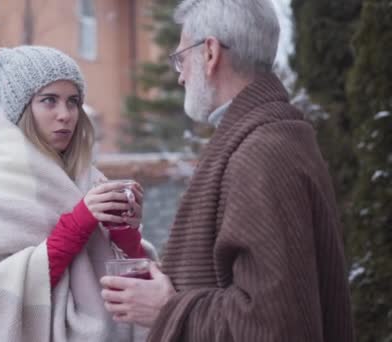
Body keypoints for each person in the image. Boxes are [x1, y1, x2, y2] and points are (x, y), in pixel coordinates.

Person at [100, 0, 354, 341]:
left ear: (209, 53)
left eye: (180, 57)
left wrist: (167, 308)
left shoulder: (263, 152)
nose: (179, 75)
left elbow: (271, 323)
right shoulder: (271, 136)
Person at [0, 45, 153, 342]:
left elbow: (134, 281)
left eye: (73, 101)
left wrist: (125, 233)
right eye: (49, 101)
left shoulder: (88, 177)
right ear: (22, 109)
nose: (65, 115)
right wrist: (79, 222)